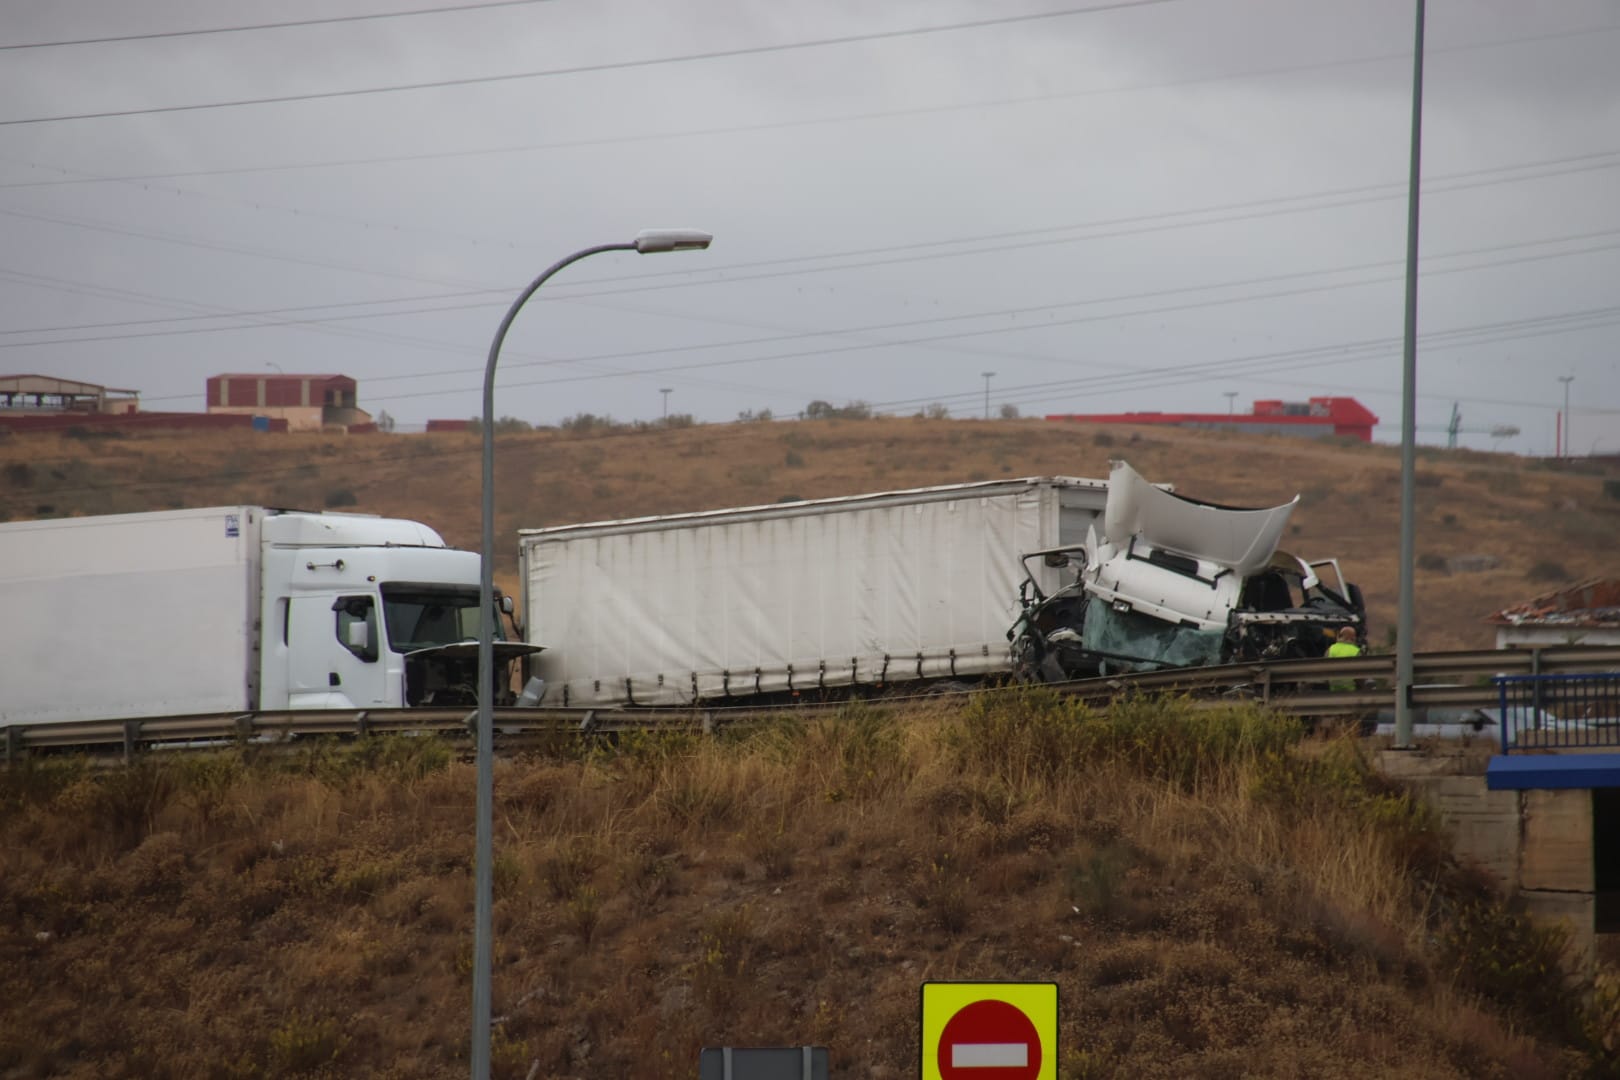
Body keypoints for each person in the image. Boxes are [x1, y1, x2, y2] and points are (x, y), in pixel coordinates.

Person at [1327, 626, 1361, 692]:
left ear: (1340, 636)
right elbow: (1361, 675)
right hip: (1350, 690)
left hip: (1333, 689)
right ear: (1353, 638)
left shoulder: (1330, 649)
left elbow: (1323, 670)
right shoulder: (1356, 651)